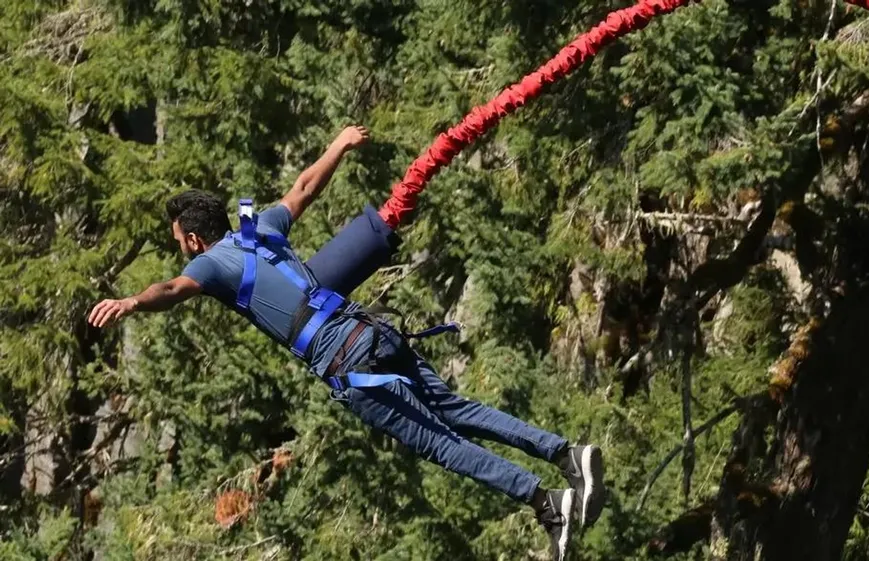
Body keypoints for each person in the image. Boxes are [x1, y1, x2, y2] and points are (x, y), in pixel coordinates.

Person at [87, 125, 605, 561]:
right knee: (456, 409)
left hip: (344, 359)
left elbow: (171, 289)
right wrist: (338, 144)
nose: (183, 252)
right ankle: (566, 454)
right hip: (371, 330)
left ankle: (547, 503)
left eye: (180, 243)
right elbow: (304, 187)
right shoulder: (258, 228)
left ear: (195, 240)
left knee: (440, 444)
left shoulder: (209, 263)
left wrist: (132, 302)